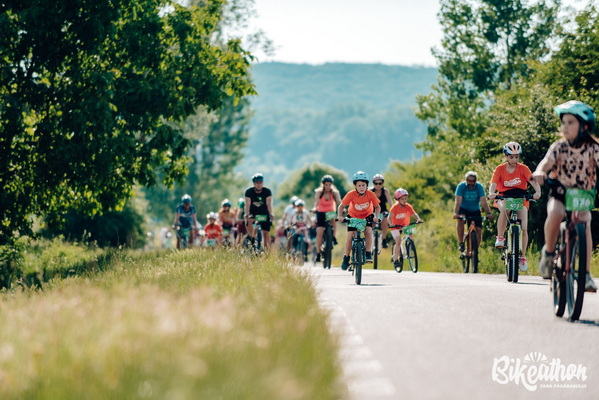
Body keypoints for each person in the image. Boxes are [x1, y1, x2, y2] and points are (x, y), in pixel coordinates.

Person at [533, 100, 598, 292]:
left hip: (583, 195)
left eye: (571, 122)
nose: (565, 127)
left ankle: (585, 274)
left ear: (584, 126)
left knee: (585, 224)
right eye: (563, 122)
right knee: (555, 213)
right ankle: (548, 252)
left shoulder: (594, 148)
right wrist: (540, 172)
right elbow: (547, 162)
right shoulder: (559, 146)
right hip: (560, 192)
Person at [488, 142, 541, 272]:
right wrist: (491, 193)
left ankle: (522, 256)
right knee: (505, 209)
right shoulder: (499, 169)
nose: (514, 159)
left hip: (521, 197)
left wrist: (537, 192)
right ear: (506, 156)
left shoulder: (523, 168)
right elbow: (493, 184)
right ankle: (500, 237)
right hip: (503, 196)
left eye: (517, 157)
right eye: (511, 157)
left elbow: (533, 181)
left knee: (524, 227)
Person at [337, 171, 381, 269]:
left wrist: (376, 216)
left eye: (363, 185)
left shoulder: (370, 194)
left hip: (367, 215)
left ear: (367, 185)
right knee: (350, 236)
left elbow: (377, 207)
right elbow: (341, 206)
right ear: (355, 186)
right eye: (359, 185)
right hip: (353, 216)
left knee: (368, 232)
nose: (361, 187)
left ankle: (368, 253)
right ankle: (346, 257)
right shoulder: (351, 194)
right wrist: (339, 216)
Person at [453, 171, 494, 256]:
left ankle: (475, 252)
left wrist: (488, 213)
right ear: (466, 180)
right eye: (469, 181)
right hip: (463, 209)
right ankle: (461, 243)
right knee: (460, 221)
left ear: (476, 181)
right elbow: (458, 202)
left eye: (473, 181)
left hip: (475, 210)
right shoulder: (461, 186)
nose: (471, 183)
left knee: (478, 230)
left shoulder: (479, 187)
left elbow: (484, 202)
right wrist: (456, 213)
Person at [388, 188, 423, 268]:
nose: (404, 200)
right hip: (395, 227)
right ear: (398, 199)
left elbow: (414, 214)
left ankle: (410, 248)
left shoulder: (408, 206)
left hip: (404, 225)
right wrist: (391, 224)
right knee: (398, 241)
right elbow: (389, 217)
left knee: (410, 235)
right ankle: (395, 259)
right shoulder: (394, 207)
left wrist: (418, 219)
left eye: (405, 198)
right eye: (402, 199)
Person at [312, 175, 342, 262]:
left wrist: (342, 209)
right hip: (320, 212)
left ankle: (333, 237)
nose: (328, 186)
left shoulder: (335, 192)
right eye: (326, 185)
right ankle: (318, 253)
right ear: (323, 184)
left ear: (332, 184)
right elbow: (316, 201)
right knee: (319, 232)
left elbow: (339, 201)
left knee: (334, 220)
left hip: (330, 212)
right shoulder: (319, 192)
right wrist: (314, 208)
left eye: (329, 185)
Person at [244, 173, 275, 250]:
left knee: (266, 234)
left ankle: (267, 251)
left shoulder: (267, 191)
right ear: (254, 183)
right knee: (249, 223)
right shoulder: (249, 191)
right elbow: (247, 204)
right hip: (253, 214)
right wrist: (247, 214)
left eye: (261, 182)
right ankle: (252, 241)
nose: (259, 184)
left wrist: (271, 214)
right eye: (257, 182)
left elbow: (269, 204)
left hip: (264, 214)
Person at [369, 174, 394, 248]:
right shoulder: (370, 191)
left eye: (380, 183)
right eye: (376, 183)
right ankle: (370, 239)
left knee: (385, 219)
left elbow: (390, 203)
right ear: (373, 183)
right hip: (372, 211)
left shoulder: (385, 191)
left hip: (383, 211)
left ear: (382, 183)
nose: (378, 185)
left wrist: (393, 212)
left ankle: (383, 239)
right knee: (371, 224)